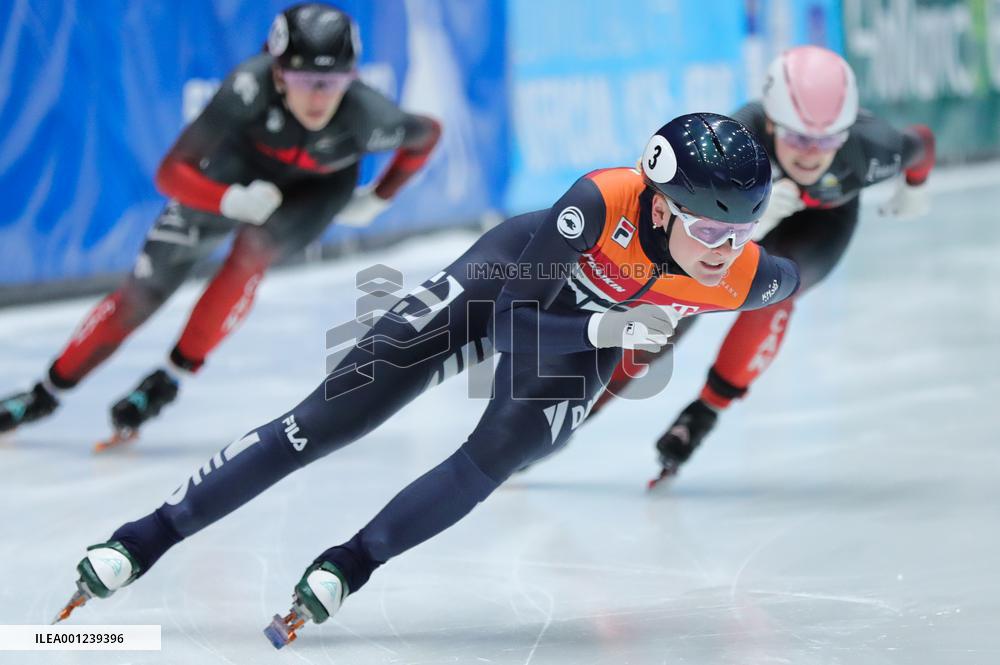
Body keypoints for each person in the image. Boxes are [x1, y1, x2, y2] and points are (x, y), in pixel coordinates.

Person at [53, 113, 799, 647]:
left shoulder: (745, 274)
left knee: (498, 453)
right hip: (509, 285)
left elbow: (797, 268)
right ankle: (144, 537)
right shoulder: (601, 202)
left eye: (740, 232)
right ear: (661, 203)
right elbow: (511, 323)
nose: (721, 251)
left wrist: (817, 196)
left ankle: (350, 563)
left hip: (581, 345)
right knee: (328, 417)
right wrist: (610, 328)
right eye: (708, 231)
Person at [0, 3, 441, 444]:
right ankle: (46, 392)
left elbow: (428, 134)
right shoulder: (247, 88)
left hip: (316, 193)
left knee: (252, 252)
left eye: (333, 82)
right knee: (141, 296)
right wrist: (227, 198)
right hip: (233, 173)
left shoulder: (370, 115)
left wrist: (379, 198)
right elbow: (170, 172)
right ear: (278, 73)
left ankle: (171, 376)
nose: (319, 97)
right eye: (305, 81)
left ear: (353, 78)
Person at [587, 46, 936, 483]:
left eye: (827, 140)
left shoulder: (873, 150)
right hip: (732, 218)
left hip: (822, 222)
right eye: (797, 138)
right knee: (677, 298)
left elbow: (923, 143)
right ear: (770, 122)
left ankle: (704, 413)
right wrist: (753, 221)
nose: (811, 153)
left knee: (774, 292)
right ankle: (584, 403)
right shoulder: (737, 140)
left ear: (847, 134)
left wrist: (914, 188)